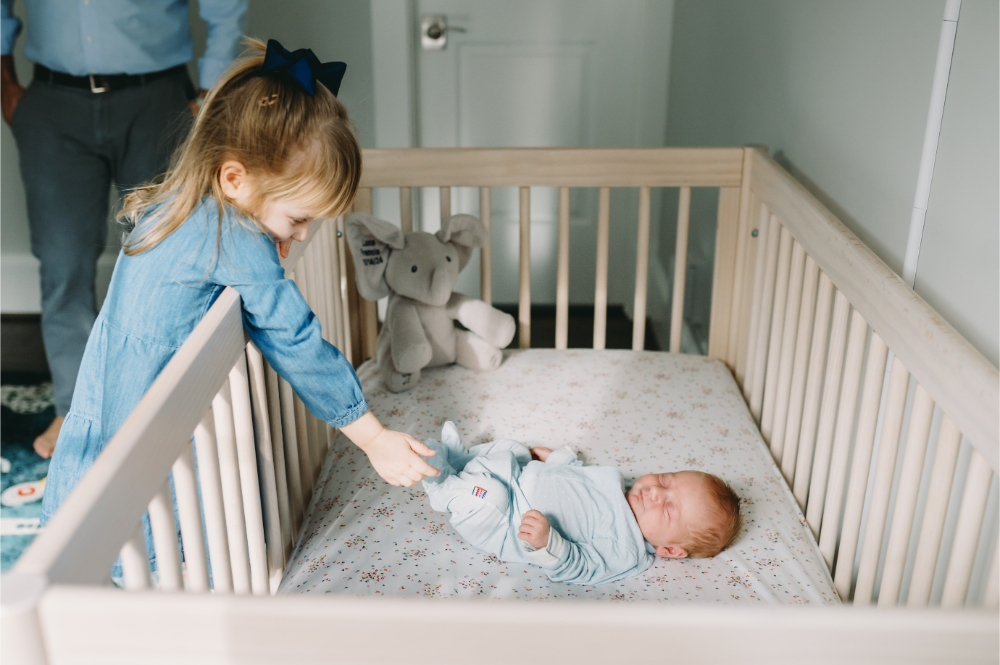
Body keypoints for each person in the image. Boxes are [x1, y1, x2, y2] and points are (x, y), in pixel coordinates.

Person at [41, 39, 440, 553]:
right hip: (148, 414)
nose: (302, 236)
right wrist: (372, 437)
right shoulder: (232, 234)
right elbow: (295, 339)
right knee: (162, 525)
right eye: (298, 219)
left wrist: (277, 229)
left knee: (96, 532)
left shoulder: (180, 204)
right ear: (235, 179)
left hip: (106, 393)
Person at [0, 0, 248, 459]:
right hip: (52, 101)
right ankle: (74, 410)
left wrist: (211, 90)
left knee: (170, 257)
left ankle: (168, 406)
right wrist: (4, 81)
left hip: (158, 99)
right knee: (62, 263)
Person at [422, 421, 742, 585]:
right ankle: (461, 460)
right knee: (516, 450)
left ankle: (441, 484)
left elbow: (580, 567)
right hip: (518, 477)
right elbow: (579, 480)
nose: (656, 492)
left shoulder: (625, 549)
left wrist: (548, 543)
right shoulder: (620, 484)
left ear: (670, 549)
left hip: (504, 521)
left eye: (669, 509)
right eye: (665, 479)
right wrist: (557, 460)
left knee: (491, 495)